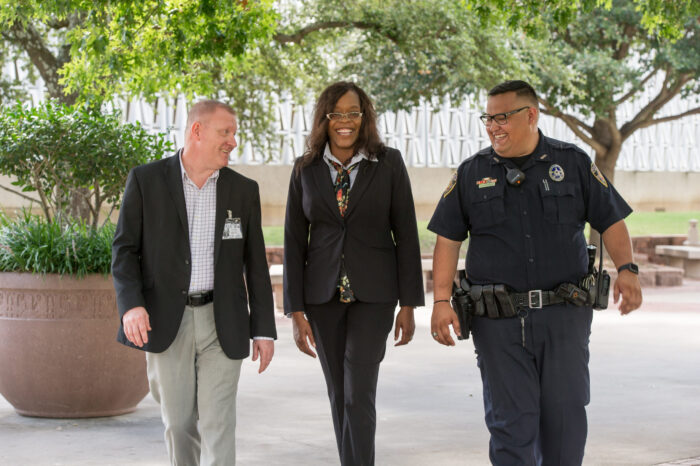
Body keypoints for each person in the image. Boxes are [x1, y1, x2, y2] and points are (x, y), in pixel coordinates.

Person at [428, 80, 642, 465]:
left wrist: (627, 269)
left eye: (502, 117)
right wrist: (441, 300)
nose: (493, 126)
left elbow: (610, 219)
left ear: (530, 115)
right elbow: (447, 239)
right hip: (498, 324)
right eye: (488, 118)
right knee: (511, 427)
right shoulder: (472, 171)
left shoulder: (573, 163)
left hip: (564, 318)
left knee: (564, 426)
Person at [112, 100, 277, 466]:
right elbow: (124, 250)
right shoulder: (146, 180)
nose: (233, 141)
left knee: (219, 422)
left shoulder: (243, 190)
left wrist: (263, 329)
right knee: (180, 423)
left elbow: (255, 264)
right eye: (225, 132)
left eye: (234, 133)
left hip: (224, 320)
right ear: (197, 131)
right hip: (168, 319)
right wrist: (131, 305)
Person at [283, 81, 424, 466]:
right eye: (336, 114)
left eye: (353, 113)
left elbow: (407, 235)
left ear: (365, 118)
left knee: (358, 392)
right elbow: (294, 244)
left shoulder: (389, 163)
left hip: (375, 296)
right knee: (337, 392)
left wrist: (409, 304)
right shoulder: (305, 169)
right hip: (322, 298)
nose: (345, 121)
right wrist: (296, 313)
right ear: (324, 119)